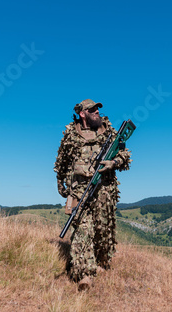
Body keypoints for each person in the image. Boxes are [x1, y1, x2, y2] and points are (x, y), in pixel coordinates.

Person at [54, 99, 132, 290]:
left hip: (104, 191)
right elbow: (62, 161)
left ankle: (102, 262)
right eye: (92, 109)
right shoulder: (71, 135)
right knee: (82, 230)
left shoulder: (109, 132)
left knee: (103, 230)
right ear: (83, 113)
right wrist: (61, 183)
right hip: (80, 191)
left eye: (98, 109)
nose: (97, 112)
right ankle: (84, 274)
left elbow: (125, 155)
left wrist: (113, 163)